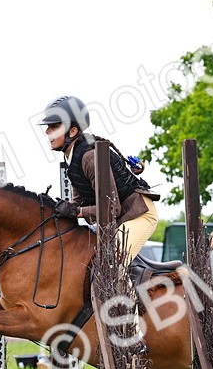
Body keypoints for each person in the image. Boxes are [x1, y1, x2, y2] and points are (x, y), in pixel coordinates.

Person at [40, 95, 161, 262]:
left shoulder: (90, 158)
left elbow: (112, 208)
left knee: (112, 264)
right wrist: (54, 210)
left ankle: (129, 290)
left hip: (140, 215)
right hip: (120, 220)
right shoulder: (73, 158)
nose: (47, 131)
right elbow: (79, 200)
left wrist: (77, 212)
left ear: (73, 131)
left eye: (54, 127)